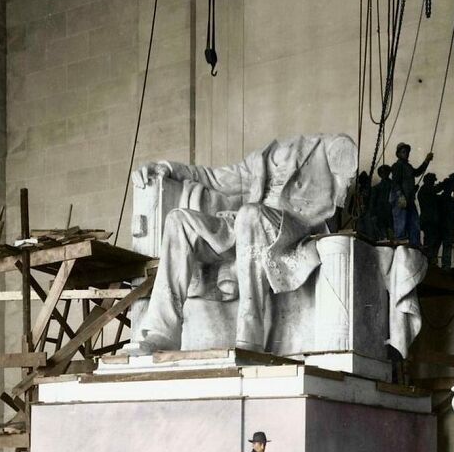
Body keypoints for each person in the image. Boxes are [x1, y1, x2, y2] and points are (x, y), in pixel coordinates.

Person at [132, 134, 357, 353]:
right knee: (178, 220)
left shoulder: (319, 148)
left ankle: (250, 335)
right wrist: (167, 168)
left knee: (250, 214)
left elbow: (344, 152)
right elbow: (212, 177)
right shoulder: (258, 161)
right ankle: (163, 332)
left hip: (289, 227)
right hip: (246, 225)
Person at [389, 142, 433, 244]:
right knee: (401, 223)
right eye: (403, 152)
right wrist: (400, 195)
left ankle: (415, 245)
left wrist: (426, 161)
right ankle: (400, 244)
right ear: (398, 154)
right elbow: (395, 182)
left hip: (409, 199)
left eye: (407, 152)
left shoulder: (408, 166)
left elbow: (417, 172)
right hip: (400, 200)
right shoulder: (397, 166)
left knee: (414, 223)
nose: (406, 154)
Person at [437, 172, 454, 270]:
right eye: (451, 187)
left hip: (448, 226)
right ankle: (434, 264)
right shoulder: (438, 199)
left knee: (447, 245)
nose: (452, 189)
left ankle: (446, 266)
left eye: (453, 187)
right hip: (439, 226)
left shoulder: (453, 201)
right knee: (436, 244)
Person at [417, 172, 442, 262]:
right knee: (430, 241)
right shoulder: (425, 189)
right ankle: (429, 261)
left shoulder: (426, 190)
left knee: (431, 241)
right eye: (432, 181)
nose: (433, 183)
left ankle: (430, 261)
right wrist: (447, 181)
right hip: (429, 221)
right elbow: (437, 189)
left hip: (429, 221)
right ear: (428, 181)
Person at [370, 165, 394, 240]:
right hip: (381, 213)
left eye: (386, 172)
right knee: (383, 234)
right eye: (382, 173)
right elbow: (372, 202)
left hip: (391, 212)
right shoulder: (376, 188)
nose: (384, 174)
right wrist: (373, 214)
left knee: (391, 232)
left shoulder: (394, 185)